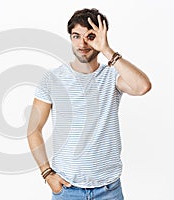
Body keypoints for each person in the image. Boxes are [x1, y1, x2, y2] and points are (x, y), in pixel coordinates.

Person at [27, 8, 151, 200]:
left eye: (90, 36)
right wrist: (46, 173)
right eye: (76, 36)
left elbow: (142, 87)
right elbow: (34, 130)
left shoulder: (112, 76)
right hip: (67, 189)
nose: (82, 43)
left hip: (108, 190)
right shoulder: (52, 78)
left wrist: (107, 50)